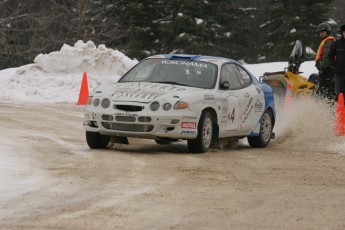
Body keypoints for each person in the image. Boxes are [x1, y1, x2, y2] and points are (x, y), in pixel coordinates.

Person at [315, 22, 336, 101]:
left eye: (323, 32)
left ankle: (327, 106)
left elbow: (326, 56)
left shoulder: (329, 41)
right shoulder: (326, 41)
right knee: (325, 89)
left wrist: (321, 67)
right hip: (326, 69)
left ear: (327, 32)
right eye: (320, 32)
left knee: (325, 89)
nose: (321, 34)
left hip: (327, 69)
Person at [329, 24, 345, 104]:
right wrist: (335, 65)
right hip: (339, 74)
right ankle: (339, 113)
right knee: (339, 93)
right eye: (344, 32)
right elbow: (330, 56)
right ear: (342, 33)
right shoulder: (336, 44)